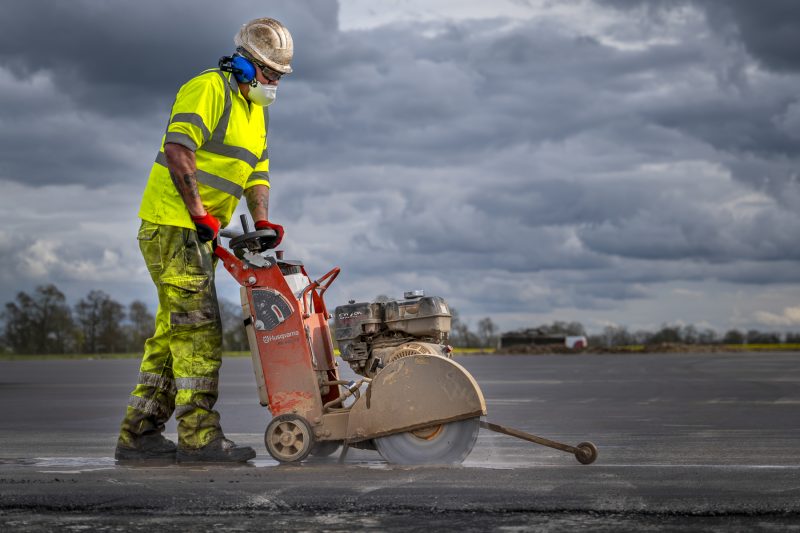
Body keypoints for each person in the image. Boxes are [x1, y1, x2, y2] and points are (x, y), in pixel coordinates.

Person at [115, 18, 292, 463]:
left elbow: (256, 171)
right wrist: (199, 212)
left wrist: (264, 222)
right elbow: (179, 149)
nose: (273, 83)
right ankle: (198, 437)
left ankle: (139, 434)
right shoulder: (208, 88)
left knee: (171, 333)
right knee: (197, 329)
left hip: (198, 233)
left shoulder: (256, 112)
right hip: (173, 224)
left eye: (279, 76)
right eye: (270, 73)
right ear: (246, 67)